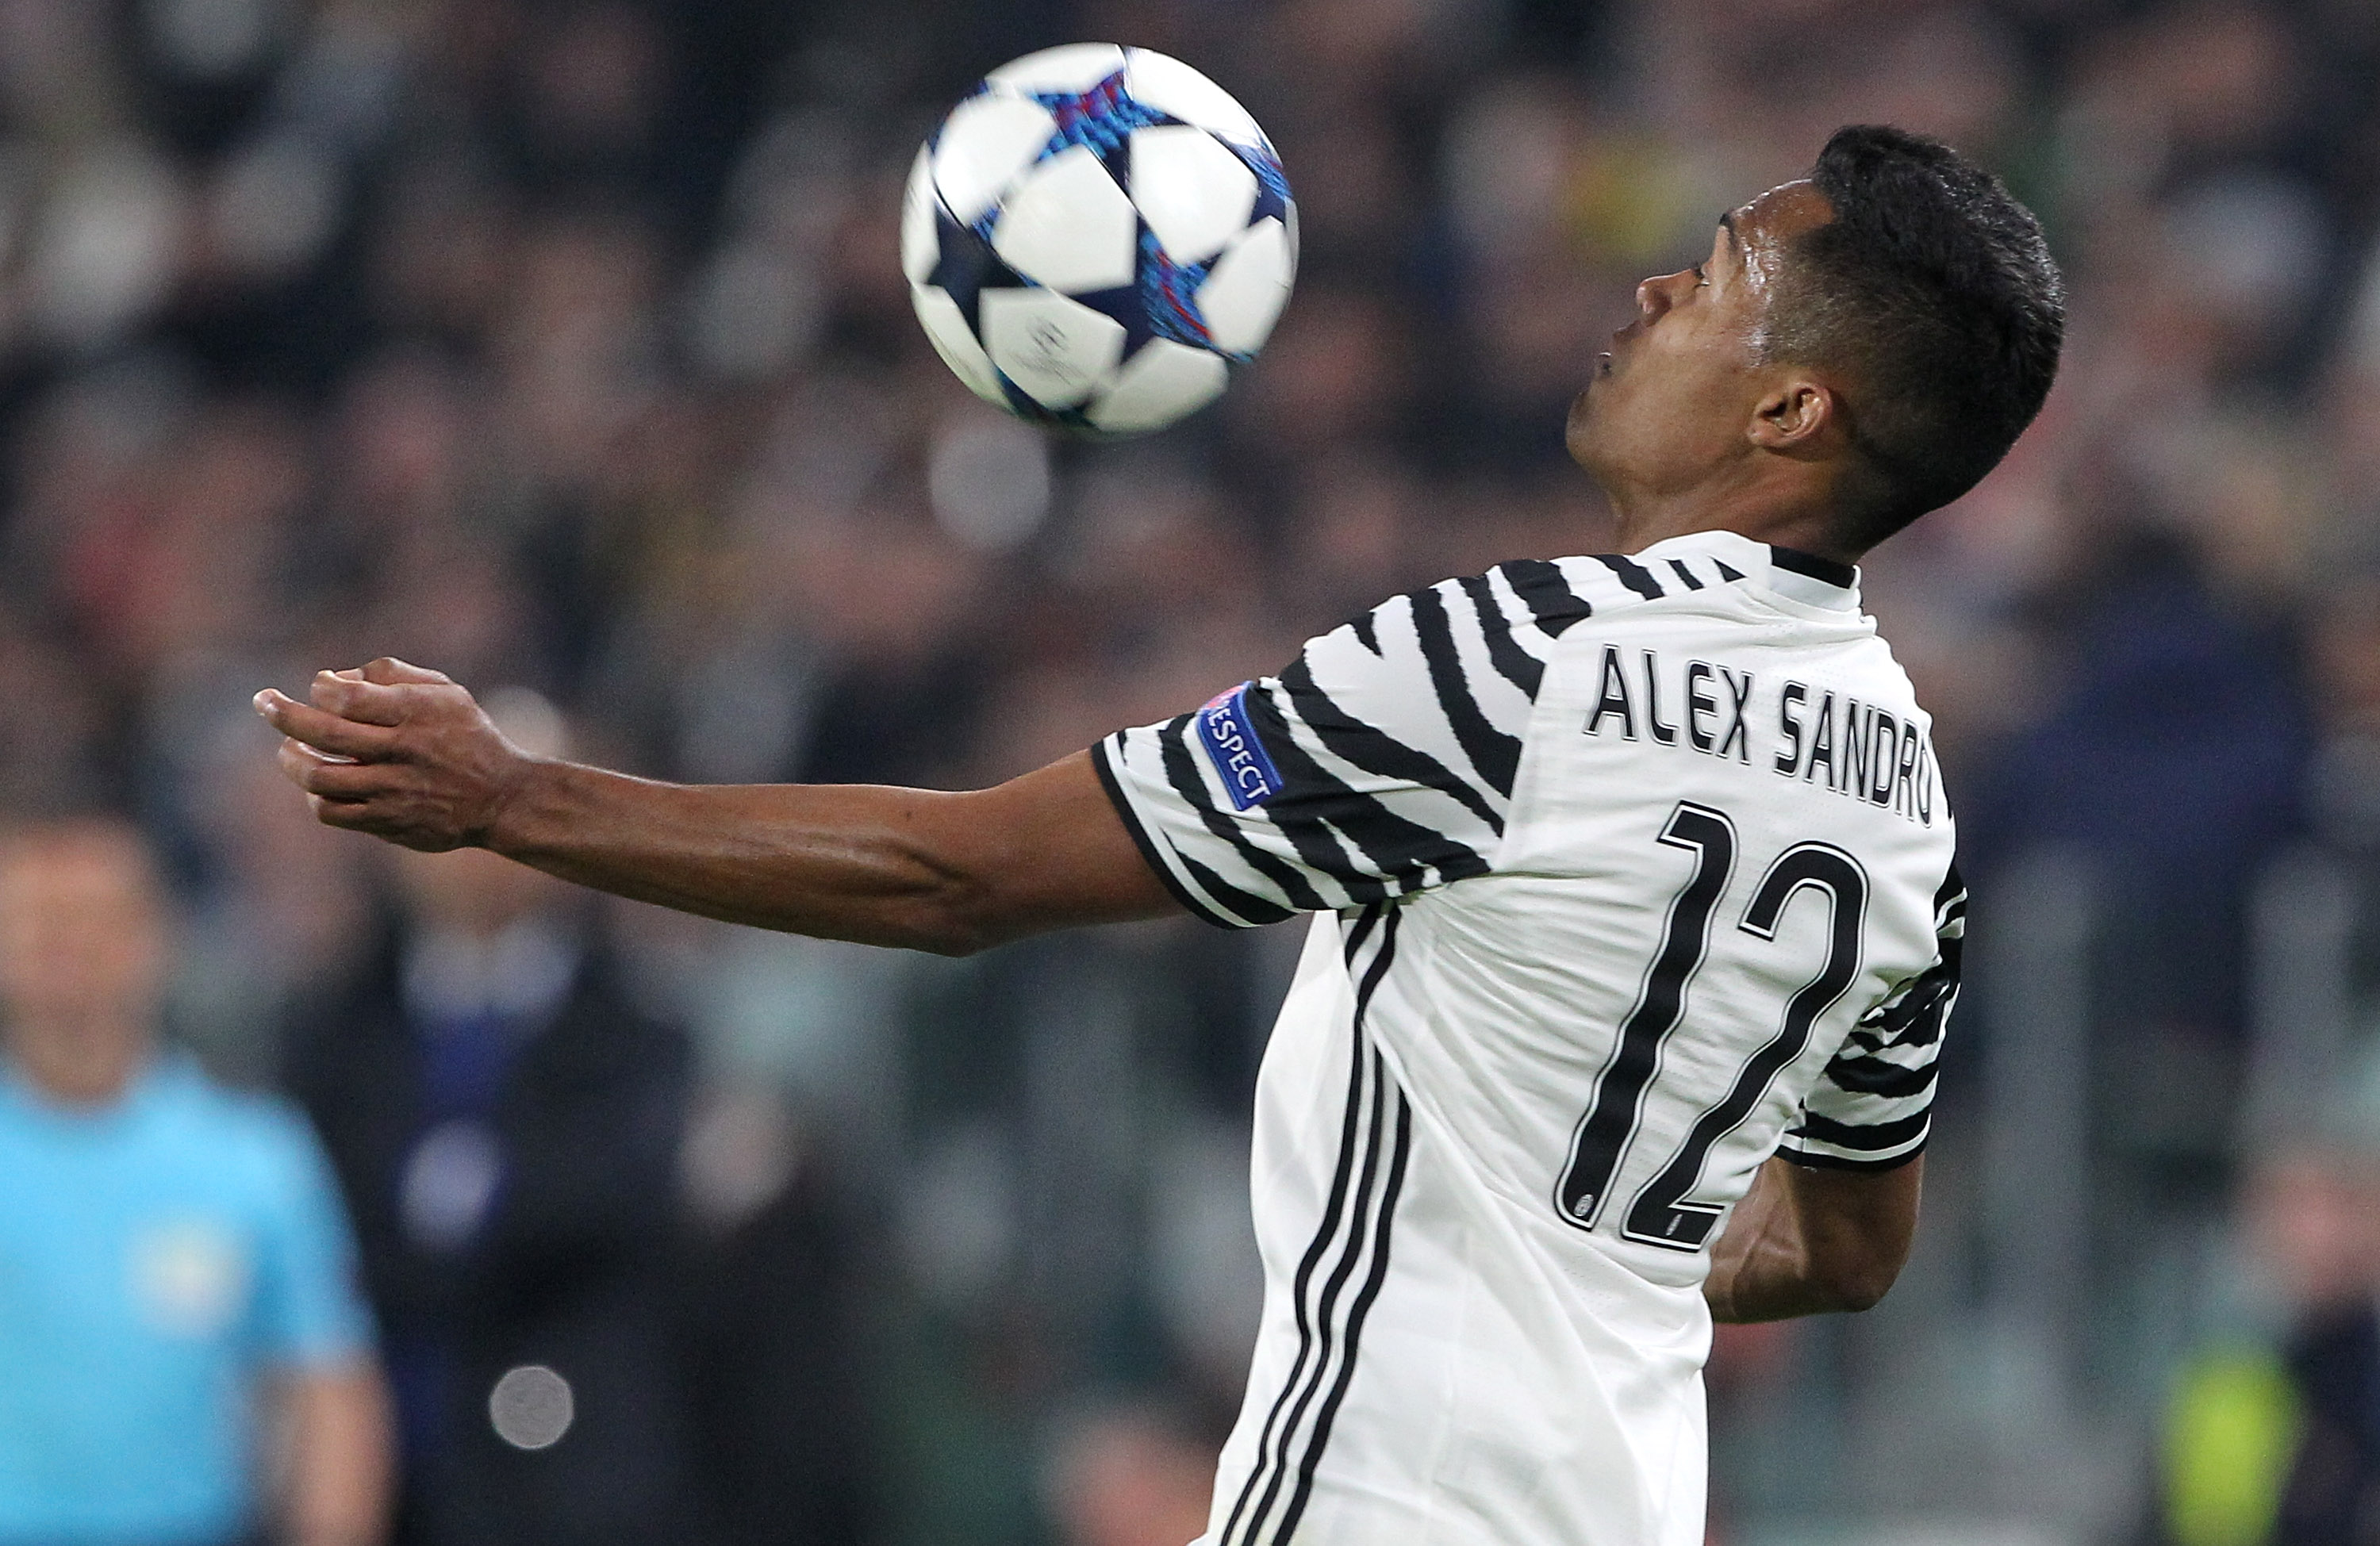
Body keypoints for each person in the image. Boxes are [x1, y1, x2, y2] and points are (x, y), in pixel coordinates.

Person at [255, 124, 2063, 1545]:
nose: (1657, 284)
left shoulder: (1509, 663)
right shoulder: (1904, 798)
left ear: (1788, 405)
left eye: (1723, 271)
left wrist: (518, 799)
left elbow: (958, 876)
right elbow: (1847, 1246)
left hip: (1369, 1495)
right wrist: (1607, 1264)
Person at [280, 698, 705, 1546]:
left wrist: (435, 1218)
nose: (473, 849)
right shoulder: (329, 1025)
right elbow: (310, 1211)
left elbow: (610, 1204)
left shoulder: (639, 1030)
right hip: (374, 1455)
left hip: (576, 1467)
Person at [0, 816, 390, 1546]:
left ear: (153, 938)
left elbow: (329, 1385)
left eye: (89, 918)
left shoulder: (250, 1157)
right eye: (34, 922)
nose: (64, 947)